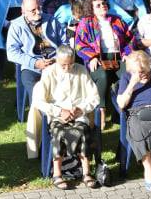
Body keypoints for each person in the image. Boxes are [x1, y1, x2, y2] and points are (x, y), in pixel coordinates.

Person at [32, 45, 101, 190]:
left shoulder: (81, 70)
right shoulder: (48, 73)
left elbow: (94, 97)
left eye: (70, 64)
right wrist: (59, 111)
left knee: (82, 131)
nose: (67, 67)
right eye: (63, 64)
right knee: (59, 133)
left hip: (79, 114)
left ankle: (86, 173)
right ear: (57, 60)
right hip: (58, 115)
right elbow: (38, 101)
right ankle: (57, 174)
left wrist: (81, 108)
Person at [75, 0, 139, 129]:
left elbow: (130, 39)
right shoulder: (86, 23)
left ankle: (122, 111)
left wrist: (127, 53)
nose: (102, 6)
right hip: (98, 58)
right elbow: (79, 44)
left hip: (117, 57)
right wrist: (91, 57)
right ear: (91, 9)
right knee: (102, 76)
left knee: (127, 75)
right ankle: (101, 110)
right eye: (98, 5)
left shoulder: (116, 20)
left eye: (103, 3)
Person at [116, 50, 151, 191]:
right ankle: (148, 169)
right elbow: (121, 104)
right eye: (138, 72)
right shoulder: (126, 78)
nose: (143, 74)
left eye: (145, 70)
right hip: (136, 114)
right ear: (131, 70)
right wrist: (132, 84)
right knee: (138, 128)